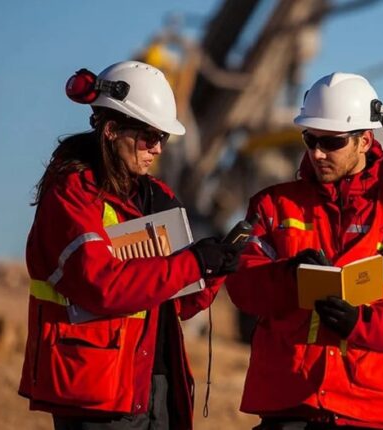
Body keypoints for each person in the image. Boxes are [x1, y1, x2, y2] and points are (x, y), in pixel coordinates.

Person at [18, 60, 243, 430]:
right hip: (96, 389)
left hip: (157, 383)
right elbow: (100, 285)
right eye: (148, 137)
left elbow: (181, 305)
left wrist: (213, 269)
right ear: (110, 130)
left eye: (163, 139)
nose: (157, 149)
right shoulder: (73, 195)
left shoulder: (159, 197)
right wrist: (192, 264)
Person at [224, 72, 383, 429]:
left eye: (331, 142)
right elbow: (242, 284)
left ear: (365, 140)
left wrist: (360, 324)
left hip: (371, 412)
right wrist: (289, 276)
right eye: (309, 139)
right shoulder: (273, 206)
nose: (316, 152)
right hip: (290, 406)